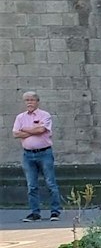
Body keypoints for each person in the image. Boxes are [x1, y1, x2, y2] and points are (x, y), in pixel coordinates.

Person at [14, 91, 60, 222]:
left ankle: (55, 211)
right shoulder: (20, 117)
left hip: (44, 153)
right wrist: (33, 130)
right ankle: (35, 213)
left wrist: (25, 130)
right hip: (28, 155)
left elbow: (41, 130)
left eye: (32, 100)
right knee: (31, 185)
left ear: (37, 101)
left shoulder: (45, 115)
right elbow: (15, 134)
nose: (29, 102)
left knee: (50, 183)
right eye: (27, 100)